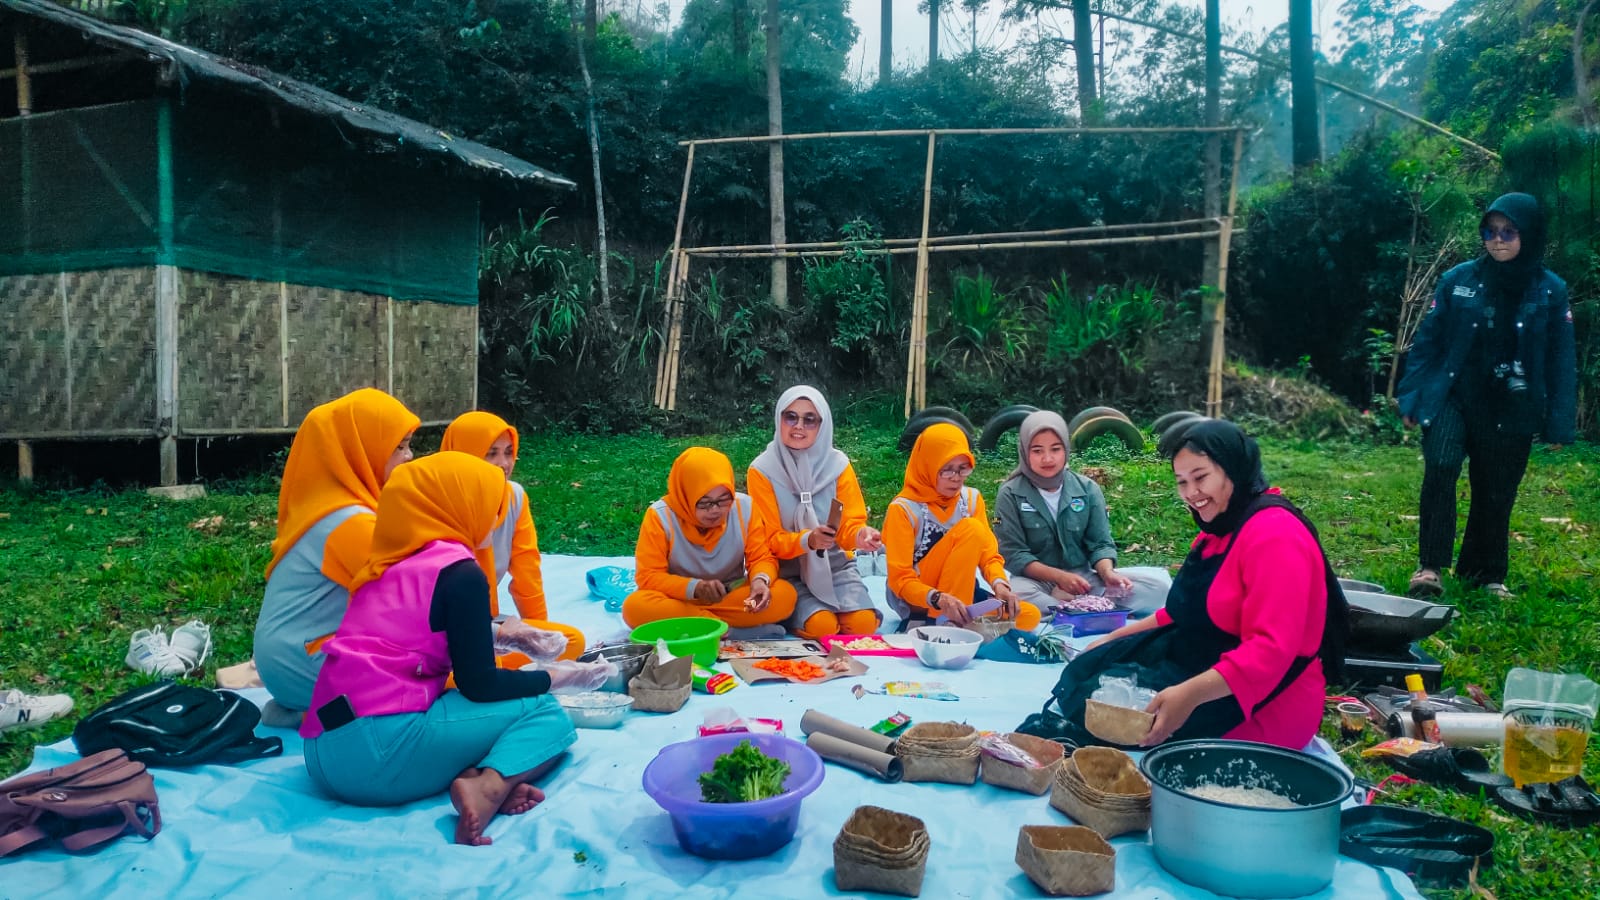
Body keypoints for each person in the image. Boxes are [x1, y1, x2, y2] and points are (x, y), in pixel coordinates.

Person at [300, 452, 612, 846]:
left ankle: (477, 776)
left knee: (472, 713)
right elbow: (478, 685)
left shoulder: (386, 564)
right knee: (547, 714)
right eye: (492, 504)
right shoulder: (460, 573)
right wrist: (556, 677)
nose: (496, 518)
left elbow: (414, 633)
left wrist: (506, 635)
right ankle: (491, 785)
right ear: (461, 503)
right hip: (376, 760)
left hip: (321, 752)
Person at [1019, 419, 1346, 751]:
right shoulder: (1218, 530)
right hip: (1204, 656)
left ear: (1232, 468)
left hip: (1263, 700)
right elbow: (1179, 612)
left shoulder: (1275, 535)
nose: (1191, 494)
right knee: (1088, 674)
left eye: (1201, 478)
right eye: (1182, 482)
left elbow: (1271, 652)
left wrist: (1187, 696)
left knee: (1114, 714)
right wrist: (1109, 640)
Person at [1398, 192, 1577, 600]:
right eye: (1490, 231)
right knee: (1441, 465)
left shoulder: (1551, 290)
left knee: (1496, 486)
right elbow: (1427, 343)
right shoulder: (1457, 280)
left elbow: (1560, 359)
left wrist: (1558, 422)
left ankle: (1484, 572)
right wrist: (1411, 398)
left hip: (1512, 403)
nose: (1498, 240)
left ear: (1528, 236)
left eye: (1509, 232)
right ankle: (1430, 567)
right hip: (1453, 394)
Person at [255, 388, 419, 719]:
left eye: (408, 444)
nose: (410, 456)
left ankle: (312, 711)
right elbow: (417, 604)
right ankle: (324, 713)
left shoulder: (328, 508)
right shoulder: (349, 523)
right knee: (436, 682)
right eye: (398, 447)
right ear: (360, 452)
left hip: (288, 658)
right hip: (304, 661)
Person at [440, 411, 585, 662]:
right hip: (437, 632)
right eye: (491, 453)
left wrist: (540, 638)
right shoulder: (436, 503)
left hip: (487, 624)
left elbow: (527, 572)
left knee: (569, 642)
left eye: (508, 452)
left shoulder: (514, 497)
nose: (503, 464)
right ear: (463, 456)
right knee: (459, 663)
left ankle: (474, 672)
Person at [994, 410, 1171, 615]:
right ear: (1025, 452)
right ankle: (1086, 610)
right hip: (1036, 582)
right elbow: (1014, 554)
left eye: (1056, 449)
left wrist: (1107, 573)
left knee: (1157, 589)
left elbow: (1101, 543)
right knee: (1015, 595)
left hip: (1084, 580)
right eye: (1037, 451)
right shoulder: (1010, 493)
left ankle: (1071, 609)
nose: (1048, 458)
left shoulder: (1087, 489)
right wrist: (1059, 578)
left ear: (1066, 450)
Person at [747, 386, 884, 640]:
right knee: (823, 627)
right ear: (779, 419)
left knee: (864, 625)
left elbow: (850, 524)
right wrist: (807, 540)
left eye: (809, 419)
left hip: (835, 567)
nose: (799, 426)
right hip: (791, 571)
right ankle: (796, 616)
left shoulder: (838, 466)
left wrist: (861, 536)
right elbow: (769, 539)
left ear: (823, 425)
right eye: (791, 417)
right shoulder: (762, 470)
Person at [621, 447, 798, 636]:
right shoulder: (660, 516)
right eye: (704, 502)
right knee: (635, 608)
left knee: (784, 595)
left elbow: (761, 556)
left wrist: (760, 581)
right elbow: (648, 576)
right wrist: (694, 588)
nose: (715, 510)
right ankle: (728, 629)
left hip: (730, 598)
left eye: (723, 500)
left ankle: (703, 627)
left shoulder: (744, 507)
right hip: (680, 601)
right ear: (685, 495)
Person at [883, 422, 1036, 631]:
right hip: (921, 599)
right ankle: (946, 622)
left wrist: (1000, 584)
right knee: (971, 529)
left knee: (1028, 616)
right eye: (946, 470)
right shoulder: (903, 509)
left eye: (962, 469)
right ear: (927, 465)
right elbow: (899, 580)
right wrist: (938, 598)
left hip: (962, 593)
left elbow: (988, 555)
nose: (956, 478)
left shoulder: (971, 499)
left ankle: (957, 620)